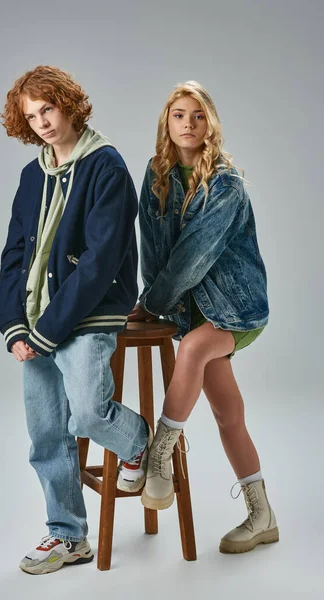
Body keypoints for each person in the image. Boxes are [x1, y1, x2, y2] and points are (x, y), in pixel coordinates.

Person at [0, 65, 151, 575]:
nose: (42, 122)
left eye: (49, 108)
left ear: (69, 104)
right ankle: (68, 537)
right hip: (38, 321)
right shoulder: (31, 174)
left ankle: (141, 443)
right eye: (32, 115)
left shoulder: (106, 166)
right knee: (45, 432)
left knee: (86, 414)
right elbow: (15, 253)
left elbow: (102, 259)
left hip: (88, 311)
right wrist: (15, 326)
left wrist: (48, 330)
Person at [130, 81, 279, 554]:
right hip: (188, 310)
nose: (188, 124)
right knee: (226, 413)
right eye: (179, 115)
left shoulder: (226, 183)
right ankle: (262, 515)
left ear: (209, 122)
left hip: (236, 306)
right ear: (166, 122)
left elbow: (193, 257)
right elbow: (152, 256)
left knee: (194, 348)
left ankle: (159, 456)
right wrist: (151, 303)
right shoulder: (156, 174)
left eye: (197, 115)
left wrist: (152, 304)